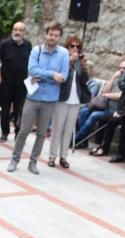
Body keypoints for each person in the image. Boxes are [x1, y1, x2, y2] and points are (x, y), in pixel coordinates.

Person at [7, 21, 68, 175]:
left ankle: (33, 162)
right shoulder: (36, 50)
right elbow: (32, 70)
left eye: (56, 35)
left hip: (50, 100)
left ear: (59, 37)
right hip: (33, 97)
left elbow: (64, 77)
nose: (52, 38)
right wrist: (52, 75)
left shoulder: (64, 54)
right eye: (50, 34)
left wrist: (43, 75)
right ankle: (15, 159)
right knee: (23, 130)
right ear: (45, 34)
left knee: (41, 133)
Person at [48, 34, 89, 168]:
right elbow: (58, 75)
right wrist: (69, 61)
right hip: (62, 98)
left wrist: (82, 65)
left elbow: (85, 80)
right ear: (67, 47)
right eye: (72, 46)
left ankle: (63, 156)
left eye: (78, 46)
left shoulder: (80, 63)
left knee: (69, 130)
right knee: (57, 128)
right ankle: (52, 156)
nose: (75, 48)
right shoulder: (62, 60)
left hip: (75, 100)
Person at [83, 59, 125, 153]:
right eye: (119, 68)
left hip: (117, 111)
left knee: (96, 115)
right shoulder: (116, 80)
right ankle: (85, 141)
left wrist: (108, 95)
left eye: (124, 68)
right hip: (106, 108)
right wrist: (112, 78)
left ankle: (77, 139)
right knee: (83, 111)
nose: (121, 70)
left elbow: (120, 95)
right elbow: (105, 91)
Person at [0, 22, 31, 143]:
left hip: (21, 85)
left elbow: (30, 64)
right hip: (6, 83)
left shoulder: (28, 45)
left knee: (19, 110)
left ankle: (18, 133)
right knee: (5, 110)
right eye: (15, 29)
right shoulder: (5, 44)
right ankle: (4, 132)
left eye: (20, 30)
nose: (17, 32)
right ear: (12, 30)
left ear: (24, 32)